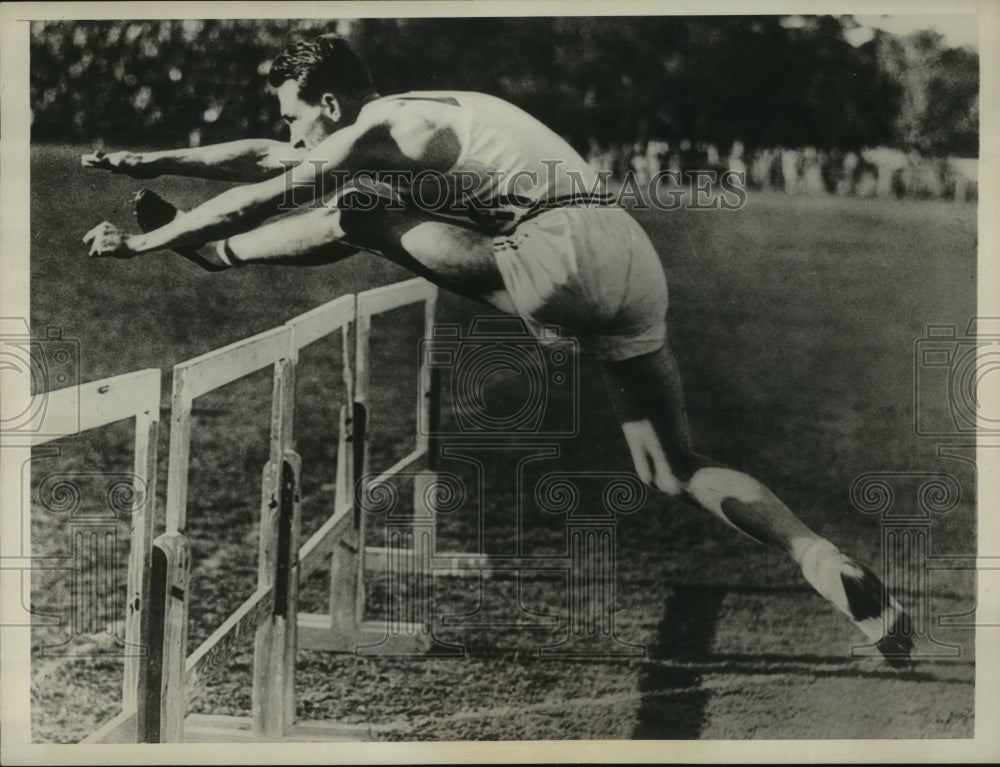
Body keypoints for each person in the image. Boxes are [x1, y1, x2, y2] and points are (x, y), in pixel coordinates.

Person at [83, 34, 912, 666]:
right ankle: (818, 555)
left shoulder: (373, 134)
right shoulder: (415, 111)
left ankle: (214, 263)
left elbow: (264, 188)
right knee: (671, 463)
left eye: (293, 112)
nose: (286, 128)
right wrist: (153, 159)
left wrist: (154, 244)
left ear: (328, 107)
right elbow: (264, 156)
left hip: (556, 258)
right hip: (629, 253)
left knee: (356, 213)